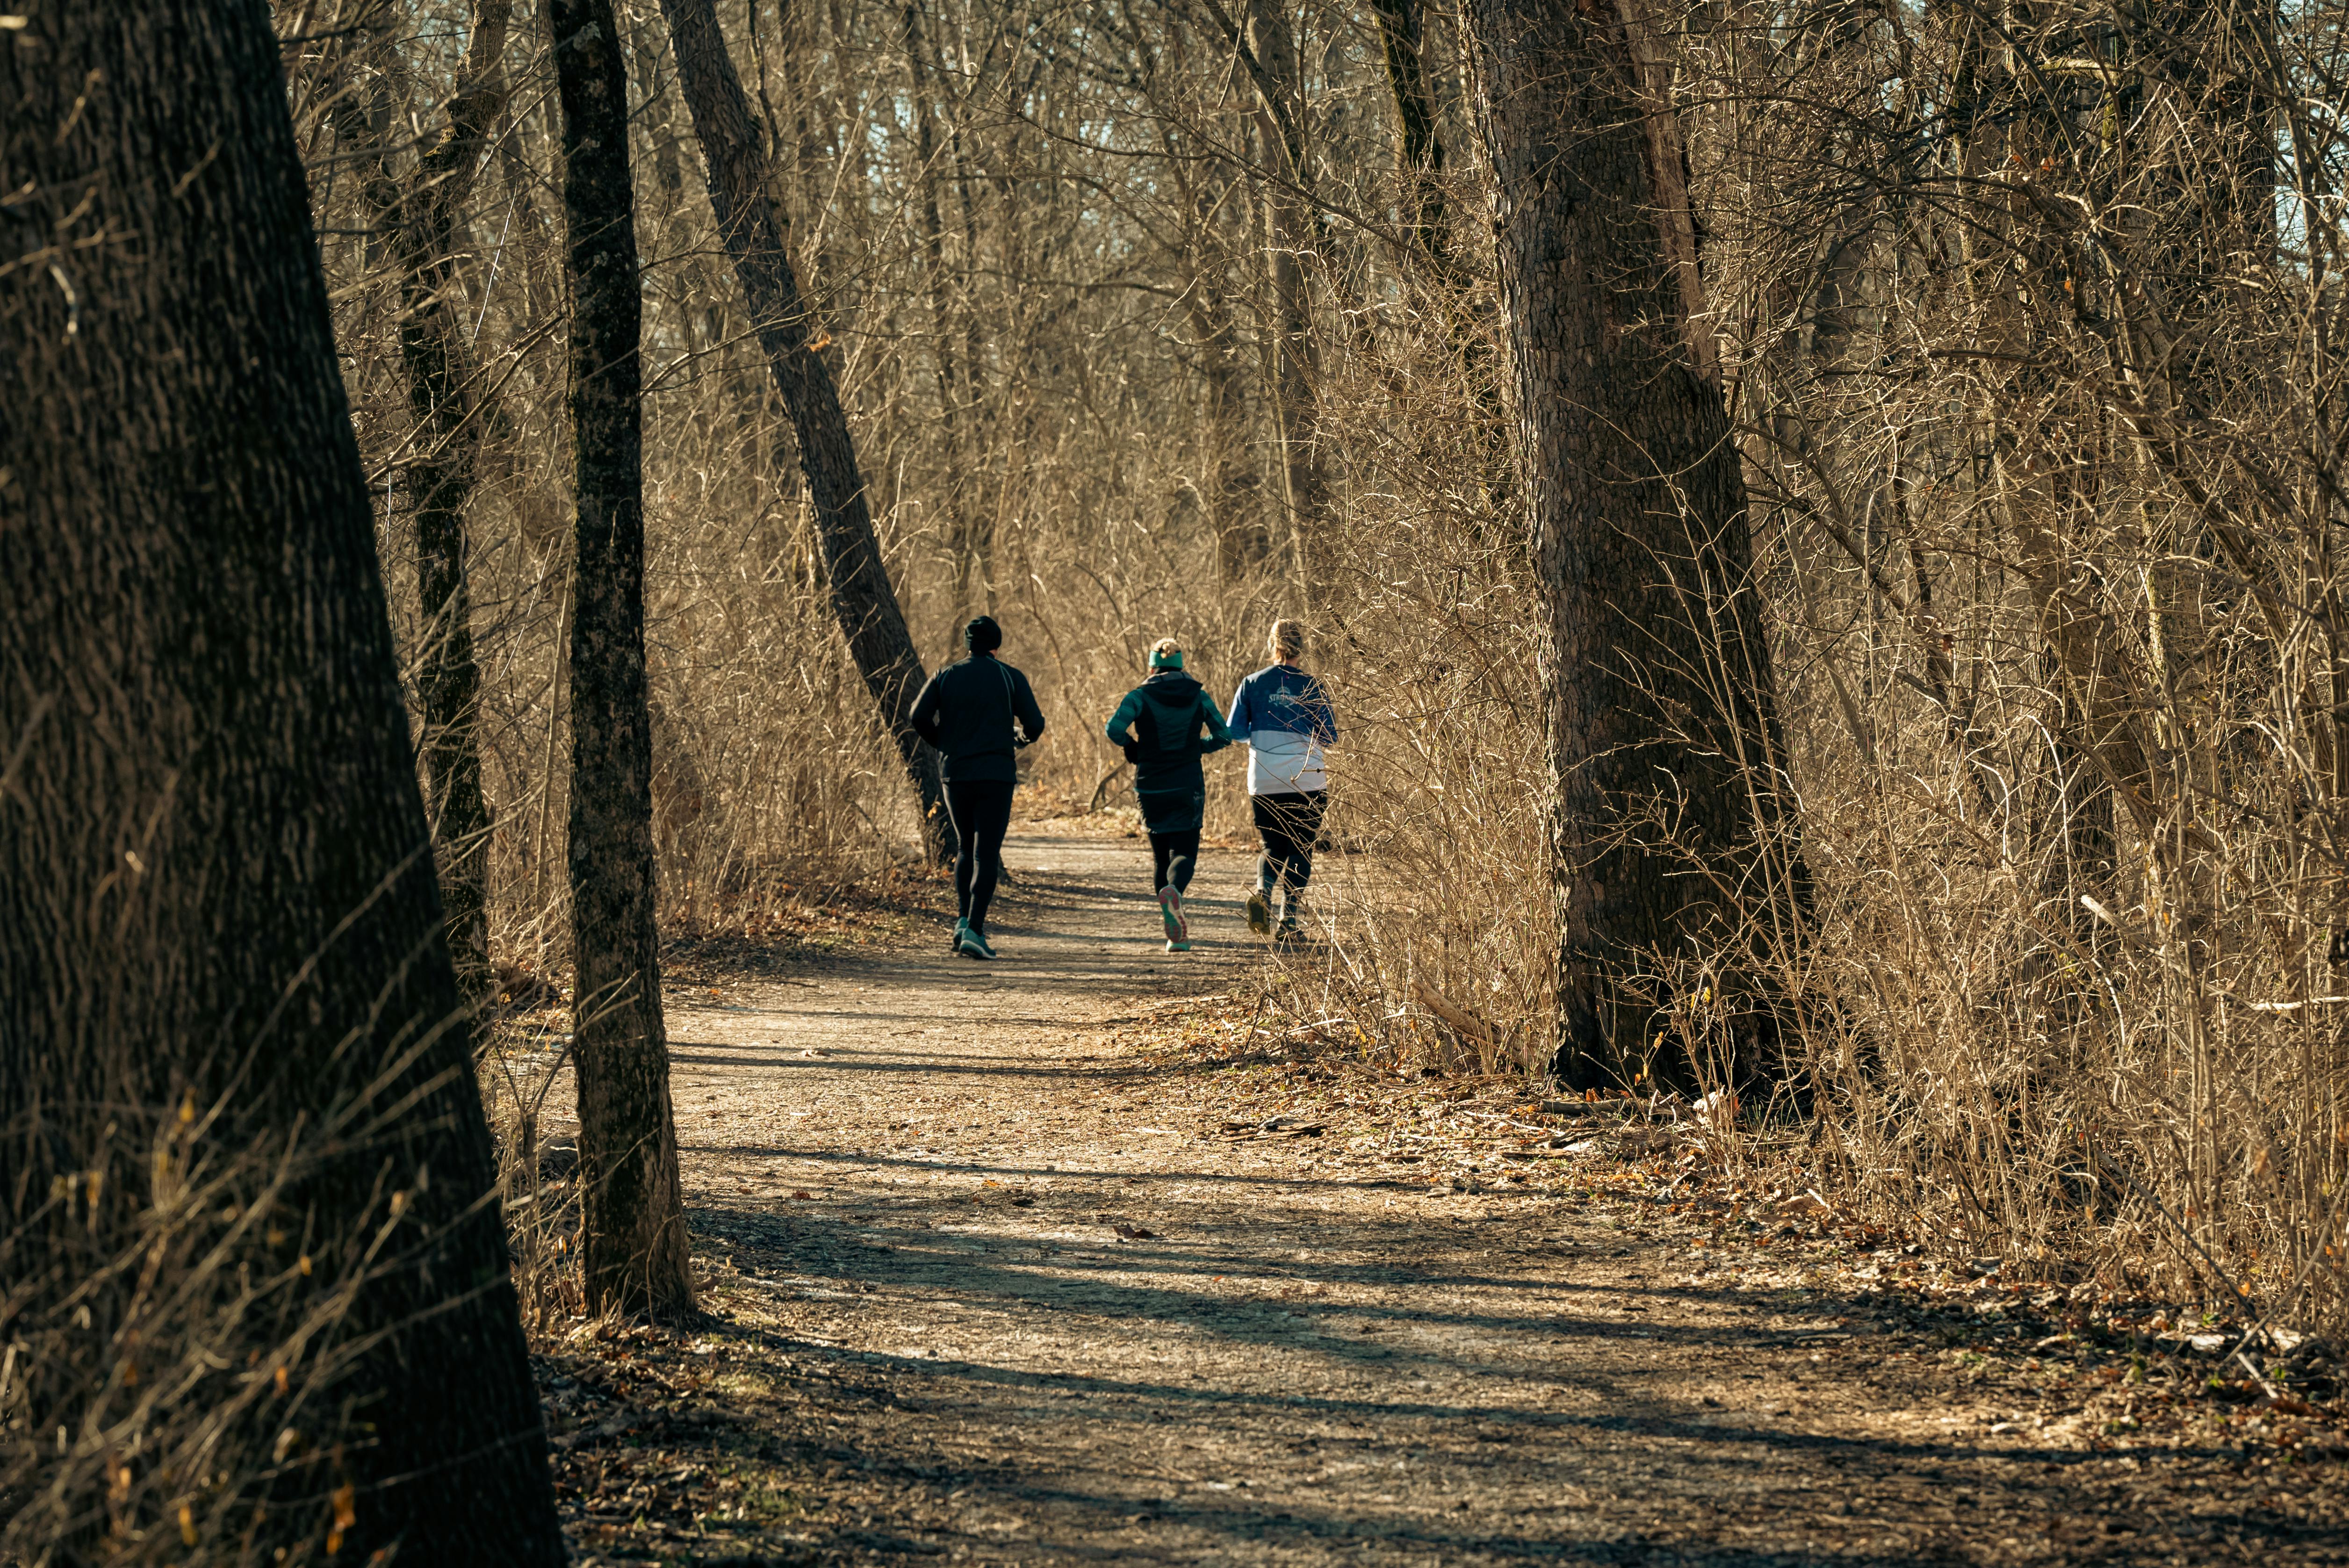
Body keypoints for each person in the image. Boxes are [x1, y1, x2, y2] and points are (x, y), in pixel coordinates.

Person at [909, 616, 1046, 959]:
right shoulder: (1009, 676)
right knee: (986, 853)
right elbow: (1035, 723)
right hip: (996, 775)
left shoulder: (947, 675)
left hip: (955, 773)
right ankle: (975, 930)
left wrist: (942, 742)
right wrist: (1021, 738)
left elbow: (917, 716)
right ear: (996, 645)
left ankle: (961, 922)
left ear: (969, 644)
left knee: (965, 848)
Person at [1103, 638, 1234, 952]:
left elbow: (1113, 729)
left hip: (1150, 784)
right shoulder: (1199, 697)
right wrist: (1197, 748)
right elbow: (1224, 735)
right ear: (1182, 667)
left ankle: (1174, 930)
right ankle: (1174, 894)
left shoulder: (1139, 696)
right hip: (1187, 783)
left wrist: (1132, 746)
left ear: (1151, 667)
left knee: (1161, 856)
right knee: (1185, 852)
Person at [1225, 619, 1336, 942]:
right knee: (1301, 847)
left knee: (1273, 846)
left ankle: (1263, 892)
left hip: (1264, 779)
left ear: (1272, 645)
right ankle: (1289, 921)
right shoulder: (1312, 686)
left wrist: (1262, 731)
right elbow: (1329, 736)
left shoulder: (1252, 683)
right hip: (1308, 780)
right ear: (1301, 647)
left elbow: (1235, 732)